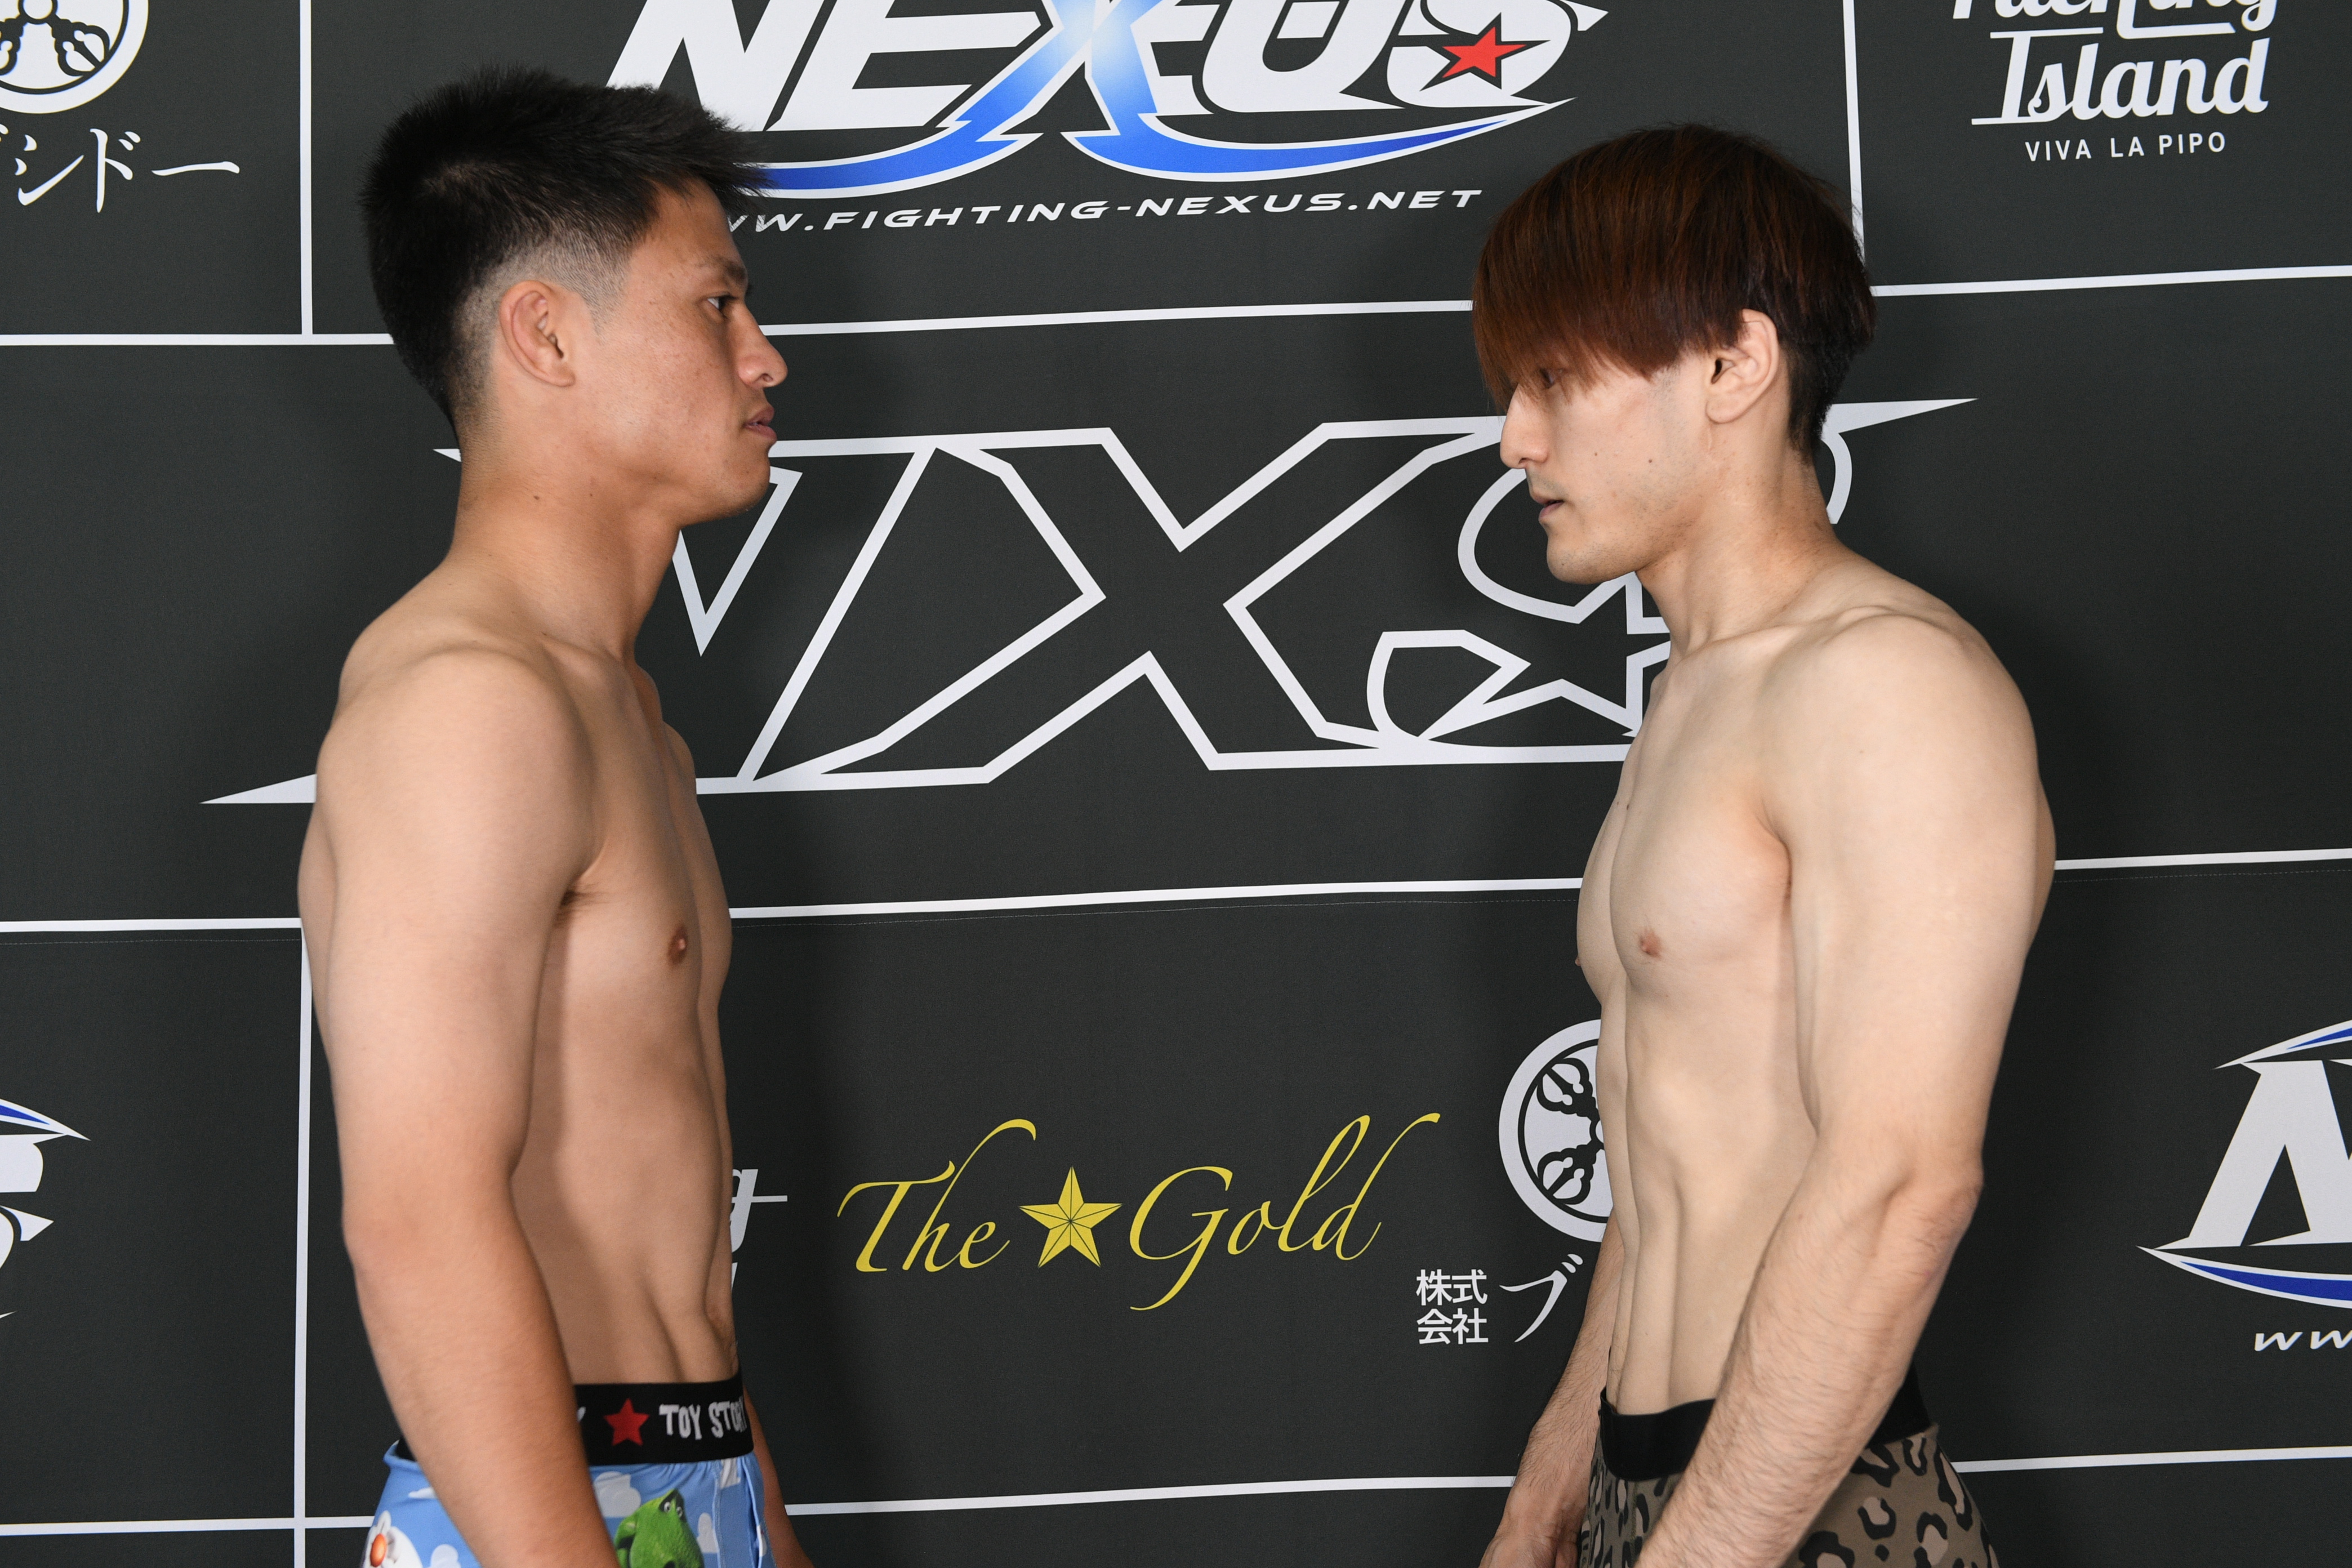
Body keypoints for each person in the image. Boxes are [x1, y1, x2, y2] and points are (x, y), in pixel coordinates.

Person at [1473, 127, 2050, 1568]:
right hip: (1655, 1491)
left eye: (1556, 380)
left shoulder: (1885, 683)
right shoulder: (1696, 695)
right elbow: (1668, 1150)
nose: (1515, 439)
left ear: (1735, 365)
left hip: (1811, 1506)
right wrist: (1551, 1489)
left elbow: (1903, 1186)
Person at [299, 68, 813, 1568]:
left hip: (684, 1482)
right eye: (716, 304)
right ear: (545, 334)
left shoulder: (629, 718)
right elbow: (418, 1222)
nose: (766, 356)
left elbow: (664, 1246)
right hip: (538, 1515)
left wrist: (761, 1532)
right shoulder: (471, 704)